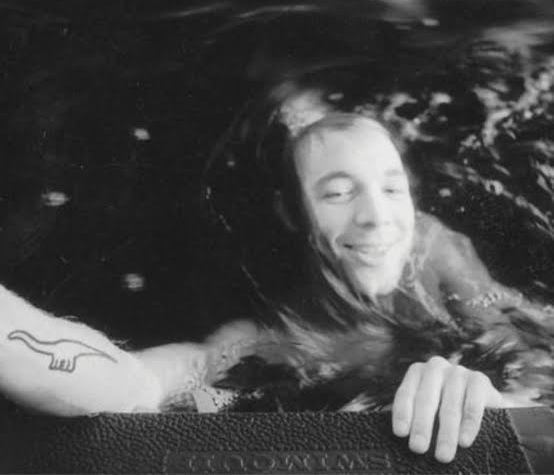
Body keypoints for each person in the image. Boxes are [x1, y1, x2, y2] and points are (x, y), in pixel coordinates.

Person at [0, 103, 551, 465]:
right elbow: (134, 384)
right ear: (293, 215)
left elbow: (527, 342)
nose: (377, 219)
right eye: (338, 193)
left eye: (391, 188)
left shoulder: (435, 247)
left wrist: (496, 401)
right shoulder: (283, 337)